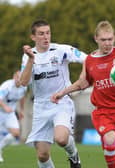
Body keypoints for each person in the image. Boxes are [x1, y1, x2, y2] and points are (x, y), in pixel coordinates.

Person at [51, 21, 115, 168]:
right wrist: (62, 92)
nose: (107, 43)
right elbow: (82, 82)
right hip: (104, 113)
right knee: (110, 140)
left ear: (114, 38)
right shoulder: (89, 60)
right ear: (96, 39)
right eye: (103, 40)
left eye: (110, 39)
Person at [20, 20, 87, 168]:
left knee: (61, 139)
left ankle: (73, 156)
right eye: (41, 34)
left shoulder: (61, 50)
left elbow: (87, 59)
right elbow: (24, 82)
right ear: (33, 37)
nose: (46, 37)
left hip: (61, 102)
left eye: (48, 33)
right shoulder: (28, 56)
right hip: (41, 106)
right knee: (42, 155)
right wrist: (31, 59)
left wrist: (83, 76)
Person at [0, 70, 27, 162]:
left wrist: (21, 110)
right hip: (1, 111)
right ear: (14, 77)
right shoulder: (7, 86)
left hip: (10, 113)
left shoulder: (24, 87)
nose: (19, 79)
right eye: (17, 77)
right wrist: (5, 107)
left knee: (16, 133)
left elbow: (23, 97)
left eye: (21, 77)